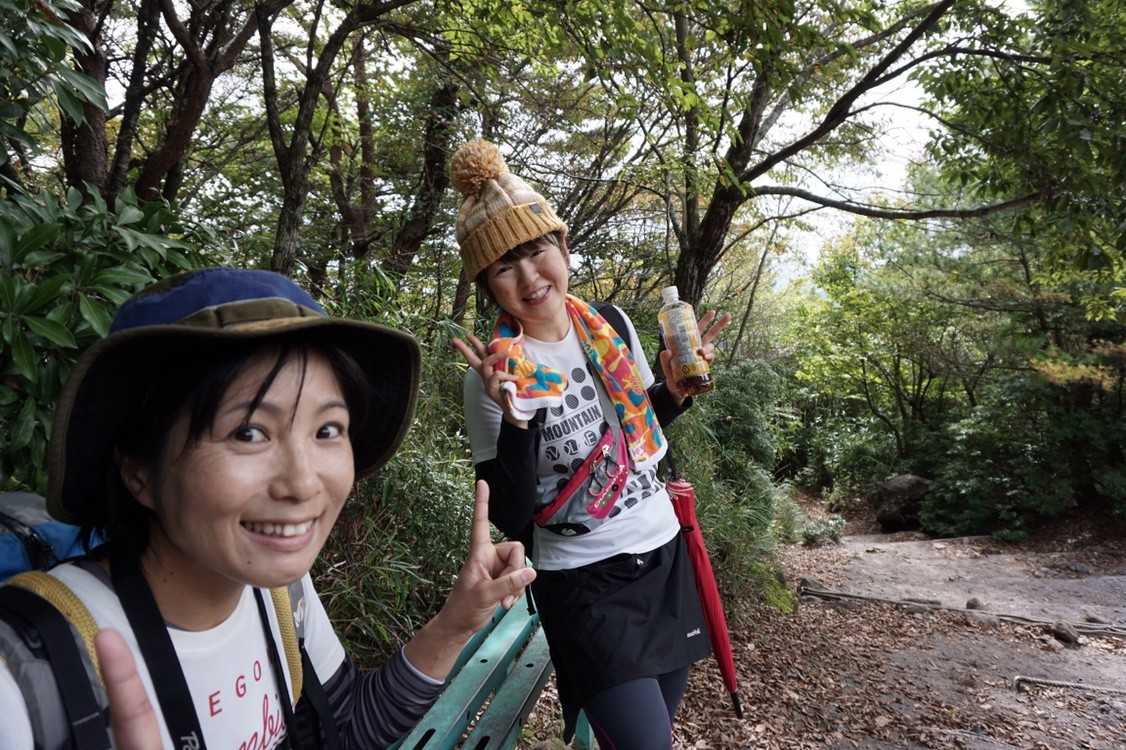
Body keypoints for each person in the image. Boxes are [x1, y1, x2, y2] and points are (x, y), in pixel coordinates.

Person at [0, 267, 535, 750]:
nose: (302, 483)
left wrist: (457, 622)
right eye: (249, 432)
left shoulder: (279, 595)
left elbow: (348, 727)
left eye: (328, 429)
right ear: (140, 471)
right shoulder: (24, 674)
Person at [450, 140, 731, 750]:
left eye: (536, 251)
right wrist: (518, 419)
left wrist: (673, 393)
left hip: (661, 553)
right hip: (582, 582)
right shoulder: (493, 376)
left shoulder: (612, 327)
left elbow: (636, 436)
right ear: (489, 285)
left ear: (563, 245)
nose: (529, 277)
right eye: (505, 266)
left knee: (650, 731)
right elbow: (511, 514)